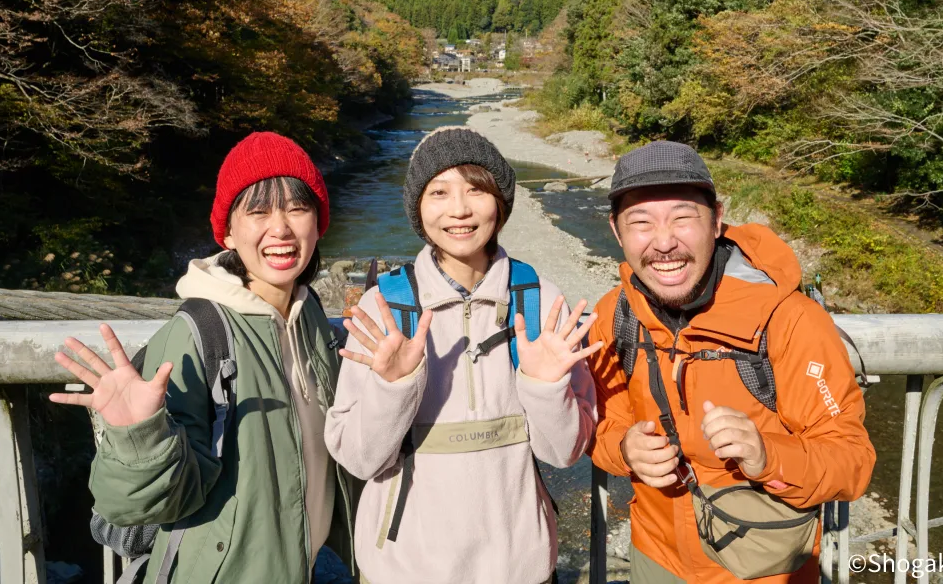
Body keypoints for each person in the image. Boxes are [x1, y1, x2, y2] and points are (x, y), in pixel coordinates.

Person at [50, 132, 356, 584]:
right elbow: (135, 508)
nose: (281, 228)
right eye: (258, 211)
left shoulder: (311, 320)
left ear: (318, 222)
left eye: (297, 208)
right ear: (229, 231)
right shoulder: (197, 334)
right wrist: (139, 437)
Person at [586, 141, 875, 583]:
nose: (664, 242)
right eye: (641, 223)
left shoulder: (789, 319)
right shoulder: (616, 314)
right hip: (655, 559)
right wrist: (625, 450)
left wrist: (768, 457)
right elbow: (601, 429)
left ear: (717, 220)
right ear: (616, 231)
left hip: (763, 568)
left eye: (683, 218)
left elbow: (852, 461)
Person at [324, 126, 599, 584]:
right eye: (439, 192)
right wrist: (393, 388)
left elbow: (565, 453)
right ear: (418, 207)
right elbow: (359, 460)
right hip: (405, 568)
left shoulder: (539, 299)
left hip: (519, 568)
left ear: (501, 203)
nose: (459, 210)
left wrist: (546, 387)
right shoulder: (385, 308)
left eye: (476, 190)